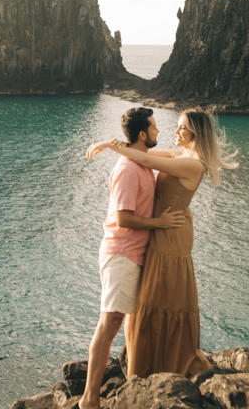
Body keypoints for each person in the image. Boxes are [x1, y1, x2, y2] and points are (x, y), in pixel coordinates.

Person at [86, 107, 237, 379]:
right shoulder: (180, 154)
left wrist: (109, 145)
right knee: (151, 300)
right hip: (161, 232)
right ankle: (148, 365)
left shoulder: (192, 164)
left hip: (171, 235)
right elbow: (142, 155)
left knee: (163, 298)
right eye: (177, 126)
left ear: (195, 133)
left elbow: (145, 160)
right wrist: (113, 144)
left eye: (182, 128)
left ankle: (167, 362)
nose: (175, 131)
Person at [79, 107, 184, 409]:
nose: (158, 132)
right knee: (108, 325)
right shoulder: (127, 169)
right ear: (142, 134)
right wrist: (159, 223)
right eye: (153, 128)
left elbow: (173, 154)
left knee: (120, 324)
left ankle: (126, 378)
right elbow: (123, 218)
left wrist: (110, 144)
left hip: (133, 256)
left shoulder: (141, 162)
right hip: (121, 255)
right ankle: (89, 399)